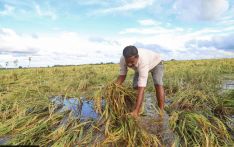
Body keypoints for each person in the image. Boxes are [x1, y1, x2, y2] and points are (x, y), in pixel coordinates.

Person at [116, 45, 165, 118]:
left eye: (132, 62)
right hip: (139, 67)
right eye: (127, 62)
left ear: (137, 57)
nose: (129, 64)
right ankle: (139, 110)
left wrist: (135, 111)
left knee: (158, 84)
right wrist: (114, 87)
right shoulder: (123, 59)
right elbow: (122, 76)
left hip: (156, 63)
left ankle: (161, 111)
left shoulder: (143, 61)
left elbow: (141, 88)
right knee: (135, 87)